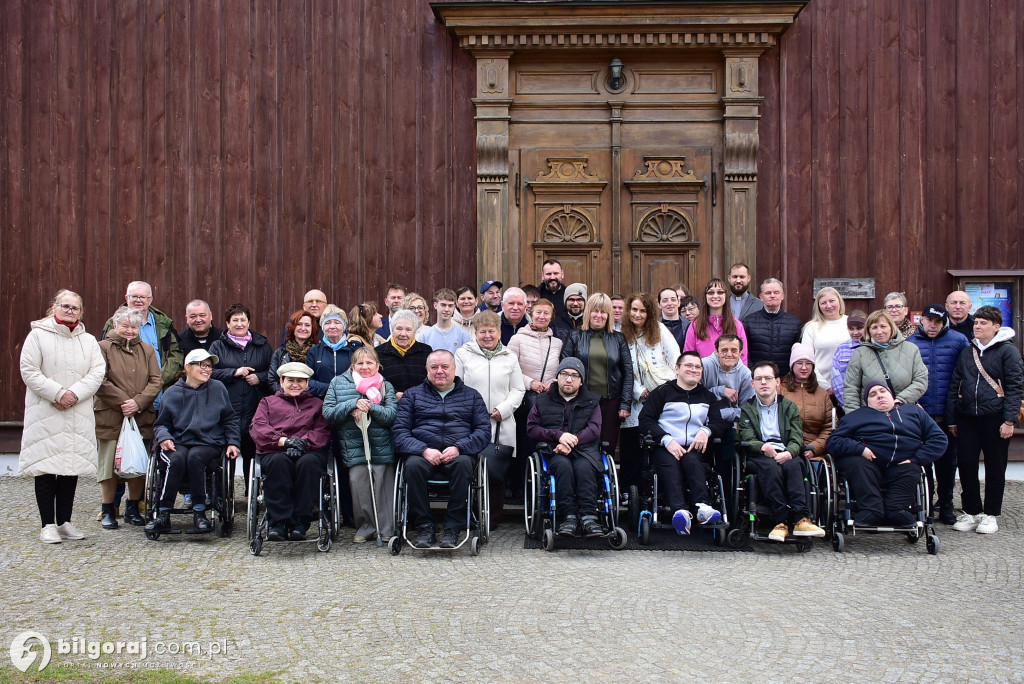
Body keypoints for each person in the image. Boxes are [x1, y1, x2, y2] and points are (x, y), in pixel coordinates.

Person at [20, 289, 106, 544]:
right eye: (65, 306)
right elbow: (29, 371)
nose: (70, 311)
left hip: (77, 410)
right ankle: (47, 524)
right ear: (54, 307)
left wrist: (74, 395)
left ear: (81, 312)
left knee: (70, 467)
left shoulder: (88, 340)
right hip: (47, 410)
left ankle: (65, 521)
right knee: (46, 467)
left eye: (75, 308)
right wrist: (58, 394)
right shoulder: (37, 336)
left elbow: (97, 372)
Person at [392, 350, 491, 549]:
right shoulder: (412, 395)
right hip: (423, 454)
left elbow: (483, 431)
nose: (440, 371)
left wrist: (459, 447)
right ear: (426, 369)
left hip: (459, 454)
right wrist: (423, 450)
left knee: (464, 464)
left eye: (445, 367)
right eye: (434, 367)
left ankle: (453, 526)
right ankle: (424, 525)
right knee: (412, 466)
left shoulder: (472, 396)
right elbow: (400, 432)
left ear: (454, 369)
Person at [946, 305, 1024, 535]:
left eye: (983, 323)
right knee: (967, 464)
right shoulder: (967, 350)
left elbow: (1015, 388)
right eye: (976, 322)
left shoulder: (1008, 352)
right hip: (967, 416)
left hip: (996, 417)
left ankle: (991, 514)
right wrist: (952, 419)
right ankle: (971, 511)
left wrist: (1009, 420)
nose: (977, 326)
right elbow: (954, 385)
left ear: (996, 327)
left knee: (995, 466)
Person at [147, 349, 242, 534]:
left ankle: (200, 512)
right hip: (179, 441)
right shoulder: (172, 392)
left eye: (209, 366)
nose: (207, 369)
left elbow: (230, 419)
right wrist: (165, 437)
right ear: (188, 367)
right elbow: (161, 425)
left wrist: (233, 442)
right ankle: (163, 513)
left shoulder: (218, 388)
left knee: (196, 457)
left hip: (208, 443)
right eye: (202, 365)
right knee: (176, 459)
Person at [827, 382, 946, 527]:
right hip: (868, 464)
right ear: (867, 402)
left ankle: (896, 510)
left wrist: (916, 458)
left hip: (903, 464)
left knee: (913, 469)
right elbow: (834, 441)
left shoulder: (914, 412)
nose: (879, 396)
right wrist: (860, 449)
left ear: (892, 395)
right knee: (855, 463)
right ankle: (871, 510)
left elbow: (939, 439)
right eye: (873, 394)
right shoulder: (855, 417)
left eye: (883, 391)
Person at [637, 351, 726, 535]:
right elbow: (645, 419)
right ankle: (680, 512)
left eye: (697, 367)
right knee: (669, 465)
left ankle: (703, 508)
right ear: (677, 369)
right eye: (688, 366)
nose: (693, 370)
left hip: (694, 446)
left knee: (692, 462)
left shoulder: (707, 396)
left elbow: (719, 422)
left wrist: (706, 431)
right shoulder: (662, 392)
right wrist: (666, 439)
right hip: (665, 446)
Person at [737, 361, 826, 541]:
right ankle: (780, 522)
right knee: (770, 468)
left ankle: (801, 519)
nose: (763, 382)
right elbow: (746, 437)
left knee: (795, 466)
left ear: (777, 382)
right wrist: (762, 447)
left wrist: (790, 452)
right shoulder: (747, 409)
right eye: (759, 379)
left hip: (785, 451)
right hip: (760, 454)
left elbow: (797, 437)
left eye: (768, 378)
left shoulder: (789, 407)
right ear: (752, 383)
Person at [455, 310, 526, 527]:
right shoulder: (462, 354)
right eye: (483, 331)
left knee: (496, 473)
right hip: (469, 423)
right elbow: (457, 386)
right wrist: (471, 412)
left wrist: (503, 409)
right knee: (468, 469)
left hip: (500, 423)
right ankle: (469, 516)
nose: (487, 335)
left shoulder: (509, 356)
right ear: (475, 333)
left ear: (499, 332)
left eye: (492, 331)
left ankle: (492, 519)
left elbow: (518, 389)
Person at [94, 306, 161, 529]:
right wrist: (125, 402)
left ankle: (133, 507)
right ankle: (108, 509)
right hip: (111, 415)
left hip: (141, 416)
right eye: (125, 326)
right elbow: (99, 380)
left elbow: (155, 381)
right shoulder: (102, 348)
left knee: (137, 464)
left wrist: (138, 403)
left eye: (134, 327)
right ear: (115, 325)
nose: (130, 331)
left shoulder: (148, 350)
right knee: (109, 465)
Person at [249, 362, 332, 541]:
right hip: (274, 449)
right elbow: (258, 427)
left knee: (308, 464)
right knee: (280, 463)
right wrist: (285, 442)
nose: (295, 384)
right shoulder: (267, 402)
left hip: (309, 450)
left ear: (308, 383)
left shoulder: (317, 404)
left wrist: (302, 443)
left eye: (300, 381)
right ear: (281, 381)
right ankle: (278, 523)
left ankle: (300, 522)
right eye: (291, 380)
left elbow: (322, 431)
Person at [322, 347, 398, 543]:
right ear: (353, 365)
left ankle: (386, 527)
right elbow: (328, 413)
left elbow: (391, 416)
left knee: (382, 483)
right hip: (354, 445)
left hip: (381, 445)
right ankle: (366, 526)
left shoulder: (385, 385)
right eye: (360, 363)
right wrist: (352, 405)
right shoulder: (338, 383)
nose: (365, 367)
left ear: (377, 365)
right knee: (359, 484)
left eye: (369, 363)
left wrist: (370, 407)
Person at [526, 358, 605, 537]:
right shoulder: (542, 400)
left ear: (581, 380)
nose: (569, 379)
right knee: (563, 467)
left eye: (574, 375)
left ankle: (589, 517)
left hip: (585, 450)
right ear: (557, 377)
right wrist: (558, 436)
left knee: (584, 467)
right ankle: (568, 516)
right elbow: (532, 429)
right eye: (564, 374)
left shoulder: (592, 401)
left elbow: (594, 429)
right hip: (553, 450)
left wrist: (572, 441)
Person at [907, 303, 969, 524]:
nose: (933, 326)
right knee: (923, 461)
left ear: (945, 323)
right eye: (929, 320)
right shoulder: (910, 343)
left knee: (946, 462)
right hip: (920, 413)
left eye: (938, 322)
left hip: (947, 412)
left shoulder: (959, 341)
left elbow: (966, 375)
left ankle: (946, 505)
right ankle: (925, 504)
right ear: (921, 320)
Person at [620, 292, 680, 495]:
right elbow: (619, 368)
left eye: (642, 311)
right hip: (634, 398)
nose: (637, 314)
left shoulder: (660, 330)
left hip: (661, 397)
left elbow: (676, 361)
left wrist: (666, 391)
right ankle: (630, 490)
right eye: (634, 309)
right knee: (631, 447)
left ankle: (658, 491)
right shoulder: (621, 333)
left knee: (657, 443)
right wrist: (637, 390)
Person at [209, 303, 273, 493]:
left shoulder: (262, 345)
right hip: (228, 409)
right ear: (227, 323)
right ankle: (225, 494)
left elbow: (273, 372)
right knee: (226, 452)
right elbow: (209, 373)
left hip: (255, 407)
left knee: (251, 452)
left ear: (249, 322)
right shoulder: (217, 346)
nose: (239, 323)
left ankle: (250, 493)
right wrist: (233, 372)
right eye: (234, 320)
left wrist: (259, 378)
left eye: (242, 319)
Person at [561, 293, 634, 451]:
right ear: (588, 312)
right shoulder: (575, 336)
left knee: (607, 445)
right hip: (581, 402)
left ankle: (605, 475)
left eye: (603, 312)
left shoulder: (618, 339)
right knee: (581, 445)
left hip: (610, 402)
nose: (599, 316)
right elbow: (565, 370)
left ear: (609, 315)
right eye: (595, 311)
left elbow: (628, 373)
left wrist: (625, 404)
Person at [507, 297, 563, 468]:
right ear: (531, 314)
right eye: (538, 312)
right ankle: (522, 482)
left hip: (550, 399)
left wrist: (554, 383)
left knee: (547, 438)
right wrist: (530, 383)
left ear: (551, 317)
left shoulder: (557, 343)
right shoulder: (518, 339)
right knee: (527, 441)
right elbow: (509, 368)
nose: (542, 316)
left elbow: (561, 369)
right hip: (526, 399)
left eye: (546, 313)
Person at [843, 309, 928, 411]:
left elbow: (921, 381)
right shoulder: (860, 353)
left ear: (892, 328)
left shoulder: (911, 349)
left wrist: (901, 400)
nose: (879, 332)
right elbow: (851, 389)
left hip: (904, 412)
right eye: (874, 327)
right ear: (868, 330)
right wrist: (854, 418)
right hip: (871, 416)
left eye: (883, 326)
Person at [111, 281, 183, 392]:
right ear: (126, 298)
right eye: (134, 296)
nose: (138, 300)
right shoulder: (114, 323)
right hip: (126, 393)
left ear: (150, 300)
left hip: (160, 390)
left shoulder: (163, 324)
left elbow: (175, 355)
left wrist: (158, 381)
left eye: (143, 297)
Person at [777, 343, 833, 459]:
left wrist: (814, 448)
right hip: (786, 450)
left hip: (815, 453)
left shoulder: (822, 394)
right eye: (799, 363)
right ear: (792, 365)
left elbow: (830, 427)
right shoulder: (780, 391)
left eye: (808, 363)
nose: (804, 367)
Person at [741, 278, 802, 373]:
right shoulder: (749, 322)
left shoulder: (794, 323)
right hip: (757, 378)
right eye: (768, 293)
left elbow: (798, 354)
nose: (772, 296)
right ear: (761, 297)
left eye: (776, 292)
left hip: (786, 380)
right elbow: (743, 352)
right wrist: (753, 372)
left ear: (783, 296)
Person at [684, 278, 749, 364]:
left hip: (730, 376)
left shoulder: (736, 325)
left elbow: (743, 357)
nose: (715, 296)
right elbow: (688, 356)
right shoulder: (695, 325)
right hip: (703, 375)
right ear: (705, 296)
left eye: (720, 292)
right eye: (711, 292)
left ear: (726, 296)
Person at [306, 306, 363, 398]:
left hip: (351, 401)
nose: (332, 326)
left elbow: (363, 378)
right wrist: (332, 389)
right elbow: (309, 382)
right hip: (321, 403)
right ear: (323, 327)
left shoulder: (355, 350)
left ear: (344, 326)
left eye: (337, 322)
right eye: (327, 323)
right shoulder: (314, 351)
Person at [375, 309, 433, 400]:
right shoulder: (378, 353)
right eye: (399, 328)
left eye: (408, 330)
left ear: (415, 331)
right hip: (390, 407)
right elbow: (374, 382)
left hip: (421, 406)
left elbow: (432, 381)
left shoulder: (426, 351)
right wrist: (394, 394)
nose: (403, 334)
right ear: (392, 329)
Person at [801, 286, 849, 386]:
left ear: (839, 301)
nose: (828, 305)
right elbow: (807, 359)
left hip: (850, 387)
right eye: (823, 303)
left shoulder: (851, 323)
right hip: (820, 387)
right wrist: (825, 386)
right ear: (818, 306)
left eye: (832, 301)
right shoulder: (811, 327)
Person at [700, 334, 753, 423]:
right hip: (702, 418)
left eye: (734, 350)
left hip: (731, 422)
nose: (729, 354)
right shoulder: (703, 366)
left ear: (740, 352)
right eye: (724, 350)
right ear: (716, 351)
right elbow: (694, 396)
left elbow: (748, 409)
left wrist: (724, 413)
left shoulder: (746, 374)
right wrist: (720, 391)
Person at [268, 310, 320, 394]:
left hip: (311, 402)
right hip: (285, 400)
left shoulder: (319, 352)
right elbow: (272, 380)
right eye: (299, 324)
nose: (303, 328)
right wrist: (288, 394)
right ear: (292, 327)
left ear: (312, 328)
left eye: (307, 325)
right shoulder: (280, 353)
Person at [830, 310, 867, 411]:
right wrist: (847, 404)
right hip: (847, 405)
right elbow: (836, 378)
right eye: (851, 329)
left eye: (859, 328)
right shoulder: (842, 349)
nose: (855, 332)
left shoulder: (873, 347)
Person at [419, 288, 471, 353]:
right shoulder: (424, 336)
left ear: (454, 307)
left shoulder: (463, 335)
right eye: (443, 305)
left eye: (450, 306)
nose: (446, 309)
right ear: (435, 305)